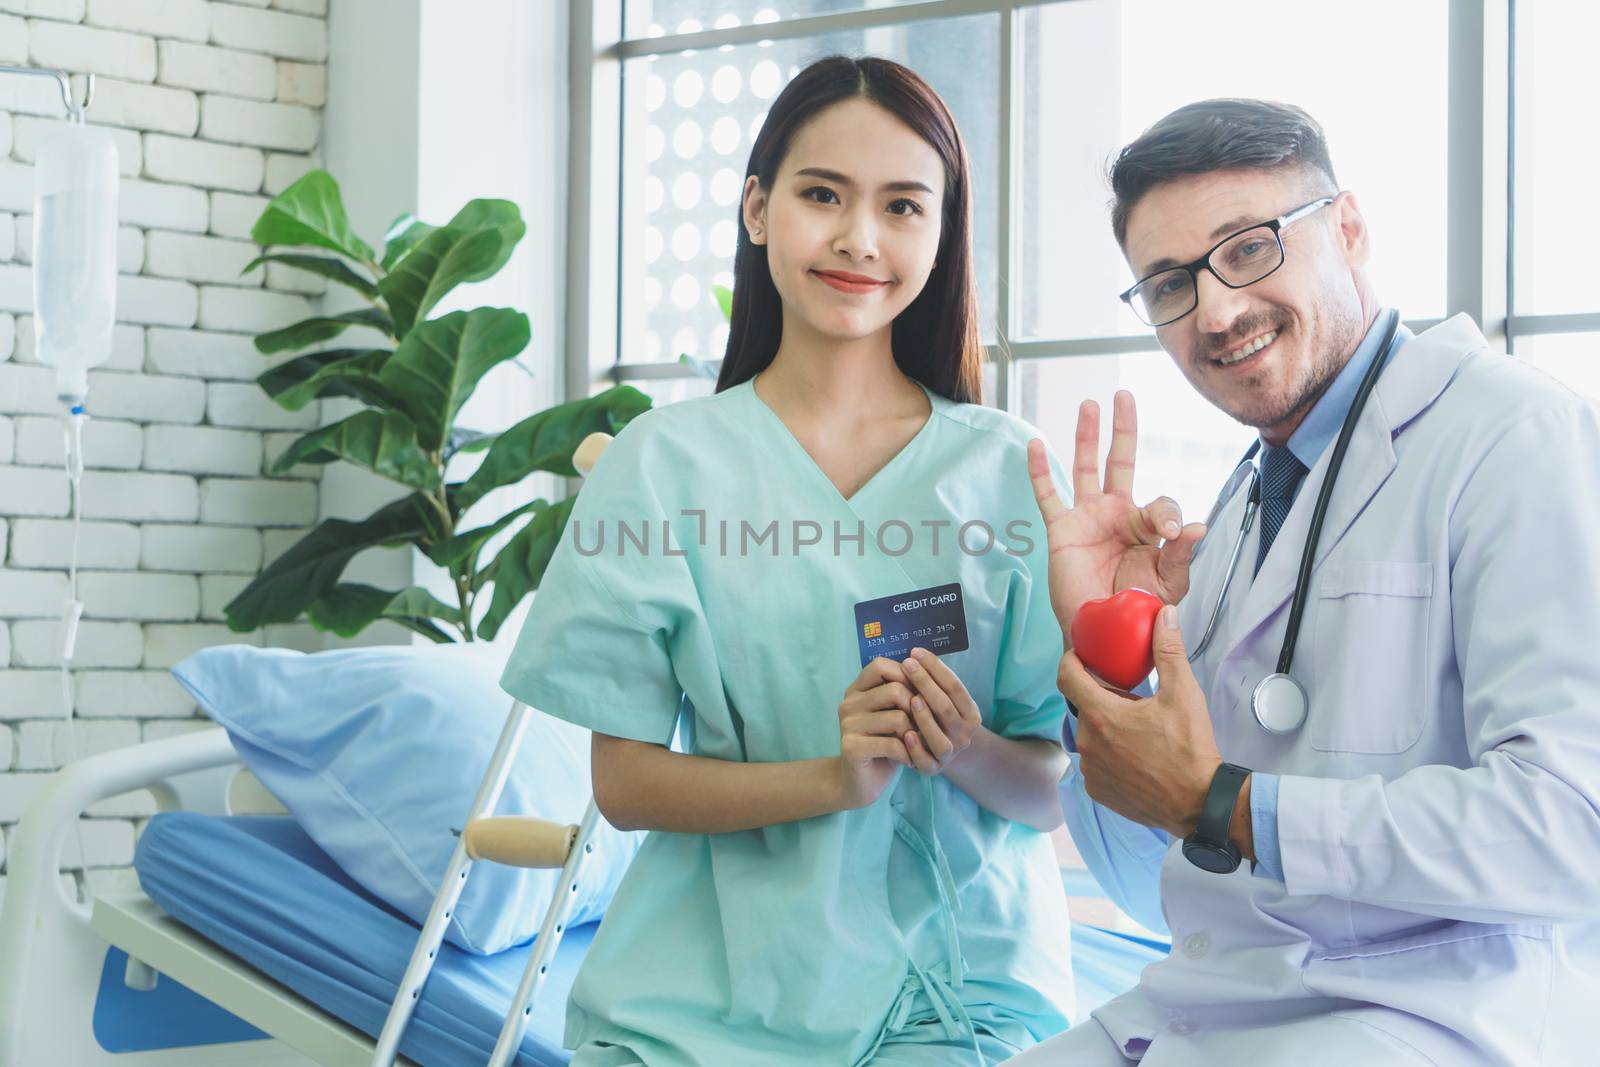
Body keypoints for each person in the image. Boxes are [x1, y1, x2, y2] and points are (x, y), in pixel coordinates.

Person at [502, 56, 1098, 1066]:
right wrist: (833, 777)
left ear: (942, 231)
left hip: (957, 995)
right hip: (698, 996)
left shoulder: (1008, 471)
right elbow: (625, 782)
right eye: (823, 194)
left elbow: (1053, 786)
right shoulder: (661, 463)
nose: (859, 238)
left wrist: (959, 749)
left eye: (903, 205)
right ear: (755, 207)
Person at [1007, 99, 1600, 1066]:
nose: (1218, 311)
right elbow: (1145, 880)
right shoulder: (1243, 510)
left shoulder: (1517, 437)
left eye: (1248, 248)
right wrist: (1110, 661)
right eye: (1169, 284)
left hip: (1441, 1017)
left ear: (1350, 227)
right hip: (1217, 1004)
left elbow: (1575, 828)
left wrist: (1226, 802)